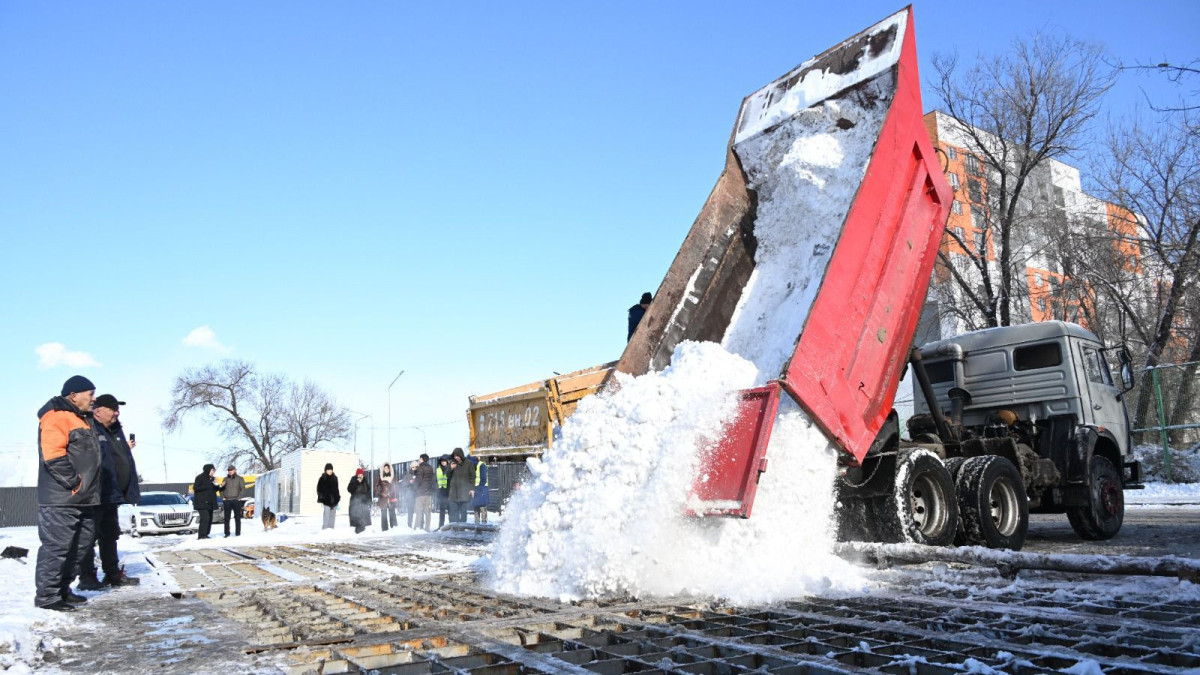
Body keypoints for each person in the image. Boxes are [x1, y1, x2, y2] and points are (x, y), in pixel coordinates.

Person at [34, 375, 103, 611]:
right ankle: (47, 597)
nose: (93, 399)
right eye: (90, 394)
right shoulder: (56, 416)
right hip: (61, 499)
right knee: (57, 548)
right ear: (73, 395)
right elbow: (53, 456)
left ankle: (63, 589)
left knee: (80, 547)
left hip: (84, 499)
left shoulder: (82, 418)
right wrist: (75, 483)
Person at [77, 394, 140, 590]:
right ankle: (87, 577)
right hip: (94, 495)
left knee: (110, 535)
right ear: (98, 411)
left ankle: (112, 574)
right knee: (89, 537)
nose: (116, 413)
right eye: (113, 409)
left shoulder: (116, 430)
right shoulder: (89, 428)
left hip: (112, 494)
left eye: (117, 409)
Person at [447, 448, 474, 524]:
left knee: (463, 512)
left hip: (464, 492)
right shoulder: (452, 463)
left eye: (457, 456)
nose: (456, 457)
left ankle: (462, 527)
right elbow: (447, 475)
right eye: (454, 456)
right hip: (453, 493)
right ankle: (455, 527)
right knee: (454, 513)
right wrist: (451, 468)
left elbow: (472, 477)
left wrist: (472, 489)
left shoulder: (468, 463)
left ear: (461, 455)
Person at [193, 464, 218, 539]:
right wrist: (208, 484)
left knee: (209, 518)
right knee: (205, 518)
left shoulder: (212, 479)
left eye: (214, 470)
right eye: (212, 470)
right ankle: (201, 535)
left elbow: (214, 489)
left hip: (210, 502)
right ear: (208, 470)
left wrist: (217, 485)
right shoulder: (200, 477)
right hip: (201, 502)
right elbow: (196, 488)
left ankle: (206, 533)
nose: (213, 472)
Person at [221, 465, 247, 537]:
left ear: (235, 470)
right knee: (226, 518)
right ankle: (227, 533)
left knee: (237, 517)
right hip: (227, 500)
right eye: (228, 470)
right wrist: (223, 497)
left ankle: (238, 533)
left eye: (231, 470)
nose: (230, 471)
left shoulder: (240, 479)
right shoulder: (225, 479)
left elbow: (243, 489)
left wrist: (239, 498)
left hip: (236, 500)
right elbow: (221, 489)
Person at [412, 454, 435, 531]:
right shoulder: (430, 468)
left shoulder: (420, 467)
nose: (419, 460)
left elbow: (419, 480)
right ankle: (427, 528)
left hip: (420, 493)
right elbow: (432, 480)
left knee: (419, 511)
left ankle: (417, 527)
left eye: (419, 459)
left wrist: (415, 488)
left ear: (421, 459)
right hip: (428, 493)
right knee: (427, 511)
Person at [347, 468, 372, 534]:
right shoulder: (353, 480)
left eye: (361, 475)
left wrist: (370, 501)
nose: (360, 476)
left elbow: (368, 492)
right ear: (357, 475)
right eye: (359, 475)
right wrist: (356, 482)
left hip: (364, 503)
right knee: (357, 520)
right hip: (355, 504)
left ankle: (360, 533)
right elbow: (349, 489)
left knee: (363, 521)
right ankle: (357, 533)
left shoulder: (365, 482)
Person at [374, 463, 397, 531]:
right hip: (383, 497)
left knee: (392, 512)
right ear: (383, 469)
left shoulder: (393, 477)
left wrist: (395, 495)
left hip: (391, 497)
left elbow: (396, 486)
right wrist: (380, 493)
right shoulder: (380, 477)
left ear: (389, 469)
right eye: (385, 468)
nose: (386, 469)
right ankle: (385, 529)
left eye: (387, 468)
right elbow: (375, 486)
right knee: (383, 514)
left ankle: (394, 528)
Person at [316, 463, 340, 529]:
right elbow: (319, 489)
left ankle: (331, 529)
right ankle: (325, 529)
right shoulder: (322, 478)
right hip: (326, 500)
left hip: (334, 500)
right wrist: (322, 497)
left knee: (332, 516)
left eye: (331, 469)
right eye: (328, 470)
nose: (330, 471)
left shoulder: (335, 478)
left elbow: (337, 489)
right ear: (325, 470)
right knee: (326, 515)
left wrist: (337, 497)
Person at [470, 456, 490, 524]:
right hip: (475, 488)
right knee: (476, 506)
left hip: (482, 488)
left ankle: (484, 524)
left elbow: (484, 479)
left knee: (482, 506)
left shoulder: (482, 465)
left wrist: (479, 488)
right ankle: (477, 524)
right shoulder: (472, 466)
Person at [435, 456, 451, 528]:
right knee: (442, 510)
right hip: (441, 491)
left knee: (450, 509)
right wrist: (436, 487)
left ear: (447, 461)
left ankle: (451, 525)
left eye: (444, 461)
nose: (443, 462)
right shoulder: (438, 469)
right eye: (442, 461)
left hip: (449, 491)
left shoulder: (450, 469)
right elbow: (435, 480)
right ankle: (441, 526)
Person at [404, 462, 418, 528]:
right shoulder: (408, 475)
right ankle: (409, 524)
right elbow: (403, 484)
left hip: (418, 494)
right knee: (410, 511)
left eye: (416, 467)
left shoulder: (420, 474)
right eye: (413, 467)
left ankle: (420, 525)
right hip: (410, 495)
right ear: (411, 468)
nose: (414, 468)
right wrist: (409, 482)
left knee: (419, 510)